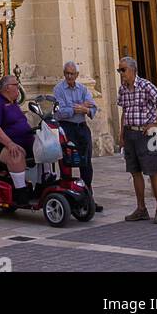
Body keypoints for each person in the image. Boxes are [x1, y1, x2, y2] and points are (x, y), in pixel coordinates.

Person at [117, 56, 157, 223]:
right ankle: (141, 208)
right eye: (119, 70)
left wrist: (155, 123)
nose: (121, 73)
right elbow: (124, 112)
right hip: (130, 133)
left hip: (148, 135)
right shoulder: (123, 89)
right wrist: (121, 134)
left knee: (152, 171)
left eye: (123, 70)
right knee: (135, 172)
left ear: (132, 70)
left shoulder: (145, 86)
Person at [52, 60, 103, 212]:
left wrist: (85, 109)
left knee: (86, 163)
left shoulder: (83, 88)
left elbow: (93, 108)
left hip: (81, 128)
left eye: (72, 74)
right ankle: (68, 197)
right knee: (66, 162)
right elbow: (60, 111)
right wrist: (78, 108)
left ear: (77, 75)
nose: (69, 76)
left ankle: (88, 197)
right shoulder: (58, 89)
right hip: (66, 128)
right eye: (67, 73)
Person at [0, 73, 35, 204]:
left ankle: (45, 182)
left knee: (47, 150)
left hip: (25, 141)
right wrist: (10, 143)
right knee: (15, 154)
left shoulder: (13, 103)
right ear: (7, 87)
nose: (18, 88)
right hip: (0, 145)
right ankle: (21, 192)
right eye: (16, 85)